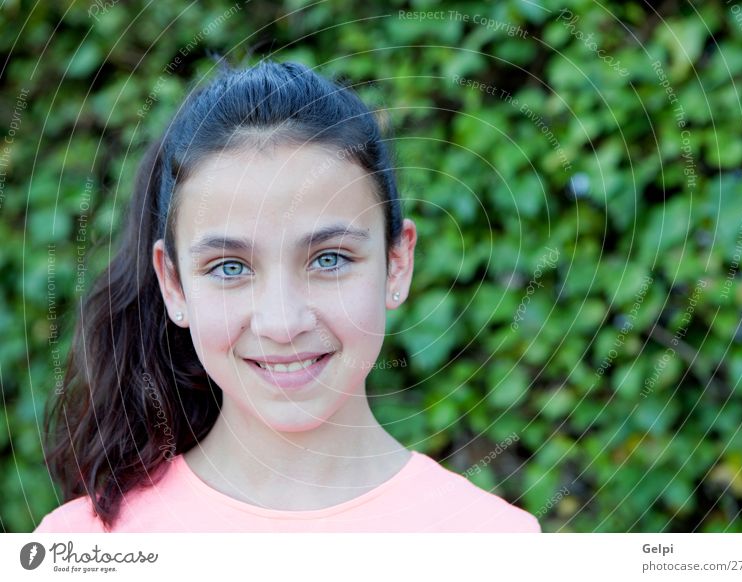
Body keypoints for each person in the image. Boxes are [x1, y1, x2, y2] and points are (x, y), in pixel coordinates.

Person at [33, 59, 541, 533]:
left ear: (396, 264)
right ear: (173, 284)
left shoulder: (495, 541)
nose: (282, 322)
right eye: (230, 267)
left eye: (329, 259)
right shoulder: (82, 544)